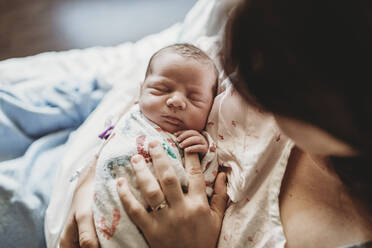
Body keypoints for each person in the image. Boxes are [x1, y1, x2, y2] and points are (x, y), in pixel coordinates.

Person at [60, 0, 372, 247]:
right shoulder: (267, 37)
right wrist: (91, 179)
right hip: (70, 163)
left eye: (277, 92)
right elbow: (148, 94)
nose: (254, 98)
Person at [91, 43, 219, 248]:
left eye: (194, 98)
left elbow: (207, 178)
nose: (177, 101)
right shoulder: (131, 117)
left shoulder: (195, 140)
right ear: (141, 91)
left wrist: (205, 148)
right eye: (162, 89)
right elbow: (106, 142)